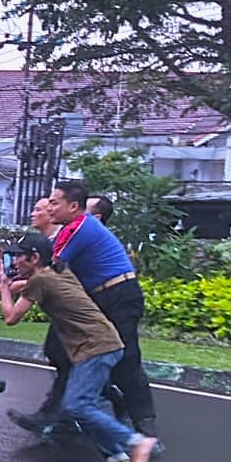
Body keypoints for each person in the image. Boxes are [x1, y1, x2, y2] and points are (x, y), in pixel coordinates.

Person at [0, 232, 159, 462]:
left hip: (96, 346)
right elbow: (25, 284)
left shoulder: (40, 281)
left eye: (17, 257)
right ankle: (117, 458)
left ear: (34, 258)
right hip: (101, 344)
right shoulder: (58, 270)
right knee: (76, 407)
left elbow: (12, 317)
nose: (14, 263)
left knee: (77, 405)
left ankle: (135, 441)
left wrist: (2, 286)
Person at [46, 180, 158, 437]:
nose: (48, 207)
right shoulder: (68, 230)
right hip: (96, 298)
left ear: (73, 206)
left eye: (54, 202)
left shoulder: (80, 228)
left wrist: (3, 285)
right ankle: (68, 416)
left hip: (119, 295)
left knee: (126, 358)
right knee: (63, 351)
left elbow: (49, 271)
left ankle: (145, 426)